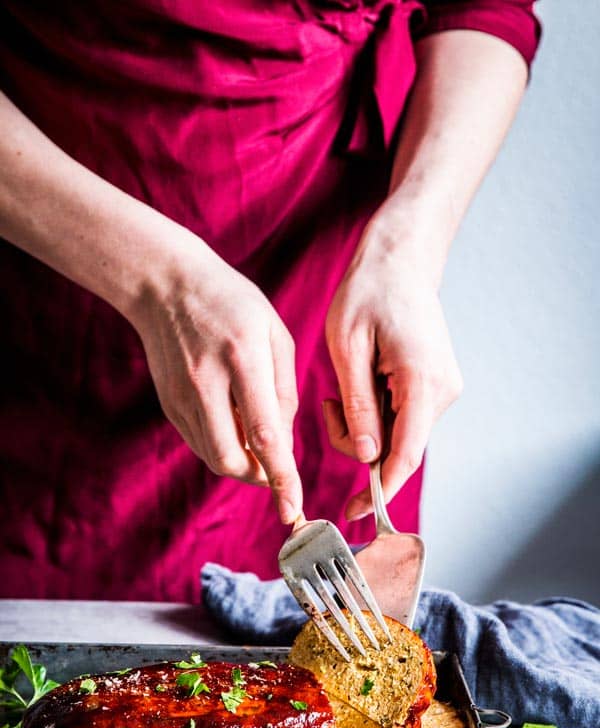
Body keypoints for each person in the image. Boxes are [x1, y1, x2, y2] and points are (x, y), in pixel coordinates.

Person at [0, 2, 540, 603]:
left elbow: (484, 10)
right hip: (57, 261)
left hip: (321, 288)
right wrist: (160, 283)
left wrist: (408, 245)